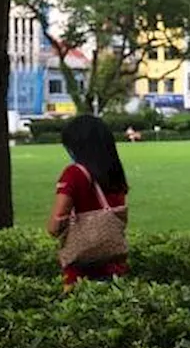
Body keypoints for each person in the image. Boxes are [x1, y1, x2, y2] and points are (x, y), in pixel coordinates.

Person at [46, 115, 130, 289]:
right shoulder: (114, 173)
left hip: (80, 274)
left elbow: (55, 226)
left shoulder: (74, 174)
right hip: (116, 271)